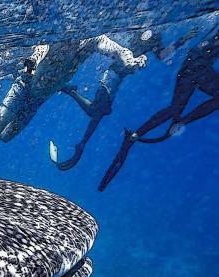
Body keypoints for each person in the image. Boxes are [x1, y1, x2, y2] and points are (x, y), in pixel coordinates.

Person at [0, 36, 147, 172]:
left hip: (38, 98)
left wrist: (129, 60)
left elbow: (117, 50)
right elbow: (41, 48)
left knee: (6, 137)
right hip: (24, 85)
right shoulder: (60, 34)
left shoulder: (94, 41)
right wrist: (32, 61)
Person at [50, 28, 196, 170]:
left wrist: (183, 39)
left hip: (116, 79)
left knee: (95, 111)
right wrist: (134, 60)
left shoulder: (155, 37)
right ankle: (81, 144)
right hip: (111, 76)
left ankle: (71, 93)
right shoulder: (138, 29)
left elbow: (162, 55)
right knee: (98, 112)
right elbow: (119, 47)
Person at [100, 27, 218, 191]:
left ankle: (135, 135)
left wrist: (183, 40)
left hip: (193, 63)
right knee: (175, 112)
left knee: (174, 110)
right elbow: (164, 54)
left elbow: (165, 54)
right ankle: (172, 124)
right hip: (196, 64)